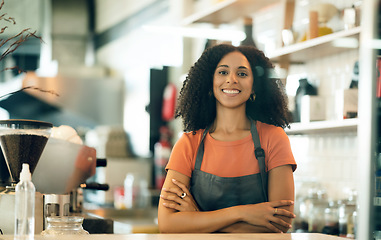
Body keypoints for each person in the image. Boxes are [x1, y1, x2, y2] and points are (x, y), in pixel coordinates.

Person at [158, 44, 297, 233]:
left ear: (254, 86)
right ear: (209, 83)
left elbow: (279, 224)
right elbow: (167, 224)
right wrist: (242, 213)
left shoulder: (274, 138)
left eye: (242, 74)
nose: (232, 80)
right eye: (223, 72)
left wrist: (197, 217)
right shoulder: (188, 144)